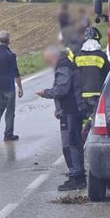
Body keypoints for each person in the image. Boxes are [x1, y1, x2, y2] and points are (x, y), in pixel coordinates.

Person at [36, 46, 86, 191]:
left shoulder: (64, 66)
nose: (47, 62)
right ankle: (79, 177)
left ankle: (75, 177)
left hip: (71, 111)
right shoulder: (66, 64)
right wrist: (59, 109)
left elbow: (62, 89)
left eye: (48, 59)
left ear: (53, 56)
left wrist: (45, 93)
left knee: (69, 145)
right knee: (75, 144)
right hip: (71, 110)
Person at [75, 27, 110, 142]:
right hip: (97, 94)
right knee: (96, 119)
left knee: (84, 118)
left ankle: (82, 141)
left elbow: (74, 76)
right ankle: (94, 141)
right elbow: (108, 75)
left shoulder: (78, 56)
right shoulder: (101, 56)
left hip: (81, 94)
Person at [0, 31, 23, 141]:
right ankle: (8, 134)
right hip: (8, 87)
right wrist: (20, 88)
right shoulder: (11, 55)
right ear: (9, 41)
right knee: (10, 111)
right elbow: (16, 73)